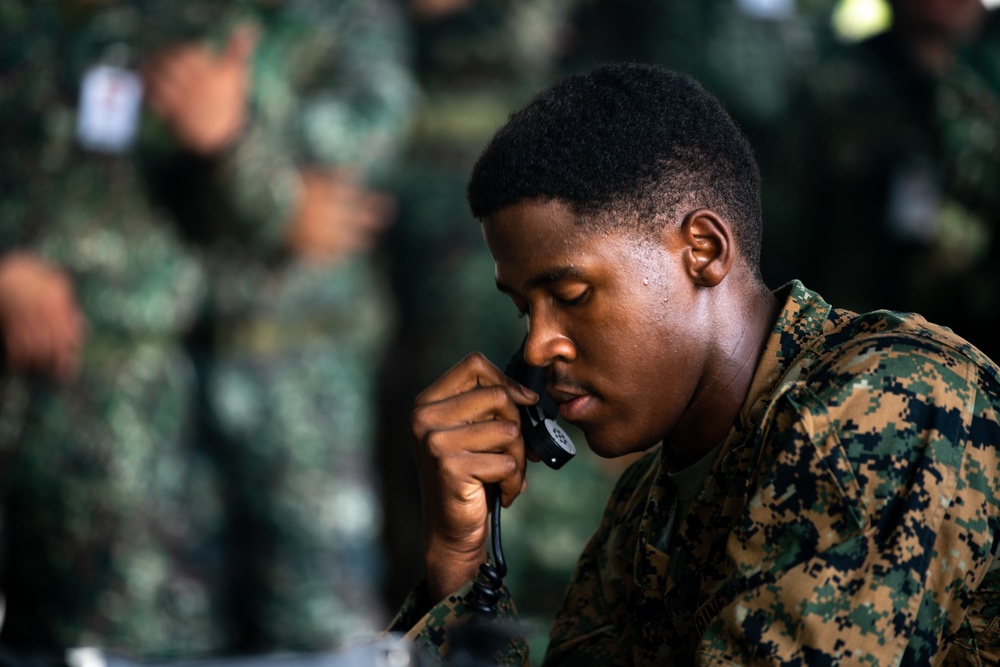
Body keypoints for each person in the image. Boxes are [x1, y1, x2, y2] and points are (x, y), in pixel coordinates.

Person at [387, 62, 1000, 665]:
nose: (540, 346)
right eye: (526, 309)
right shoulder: (644, 509)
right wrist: (460, 565)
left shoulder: (885, 402)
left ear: (702, 251)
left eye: (570, 296)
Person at [140, 0, 418, 650]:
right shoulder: (163, 16)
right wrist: (278, 193)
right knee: (168, 625)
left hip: (306, 373)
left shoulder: (351, 18)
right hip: (168, 373)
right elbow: (120, 147)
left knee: (318, 621)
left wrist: (229, 142)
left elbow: (357, 150)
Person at [769, 0, 1000, 361]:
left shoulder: (985, 90)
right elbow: (780, 231)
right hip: (844, 349)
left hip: (971, 354)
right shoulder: (833, 85)